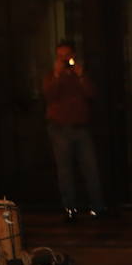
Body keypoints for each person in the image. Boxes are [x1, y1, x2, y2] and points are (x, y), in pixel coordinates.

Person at [42, 39, 105, 221]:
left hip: (81, 128)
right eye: (60, 57)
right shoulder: (51, 76)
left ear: (73, 55)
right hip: (59, 129)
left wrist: (81, 75)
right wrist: (56, 75)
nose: (64, 60)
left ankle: (97, 206)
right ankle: (70, 208)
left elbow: (92, 93)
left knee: (91, 168)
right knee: (65, 171)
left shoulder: (80, 74)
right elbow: (48, 95)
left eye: (66, 56)